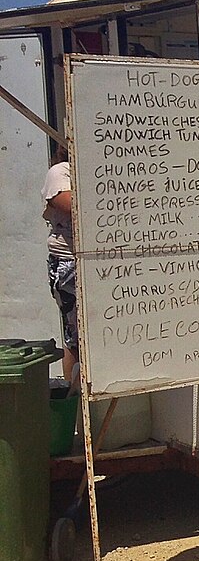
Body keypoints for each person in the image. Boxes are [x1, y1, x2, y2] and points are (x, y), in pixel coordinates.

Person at [42, 143, 78, 382]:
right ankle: (74, 399)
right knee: (75, 337)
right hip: (69, 263)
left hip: (106, 261)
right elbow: (74, 206)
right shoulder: (61, 172)